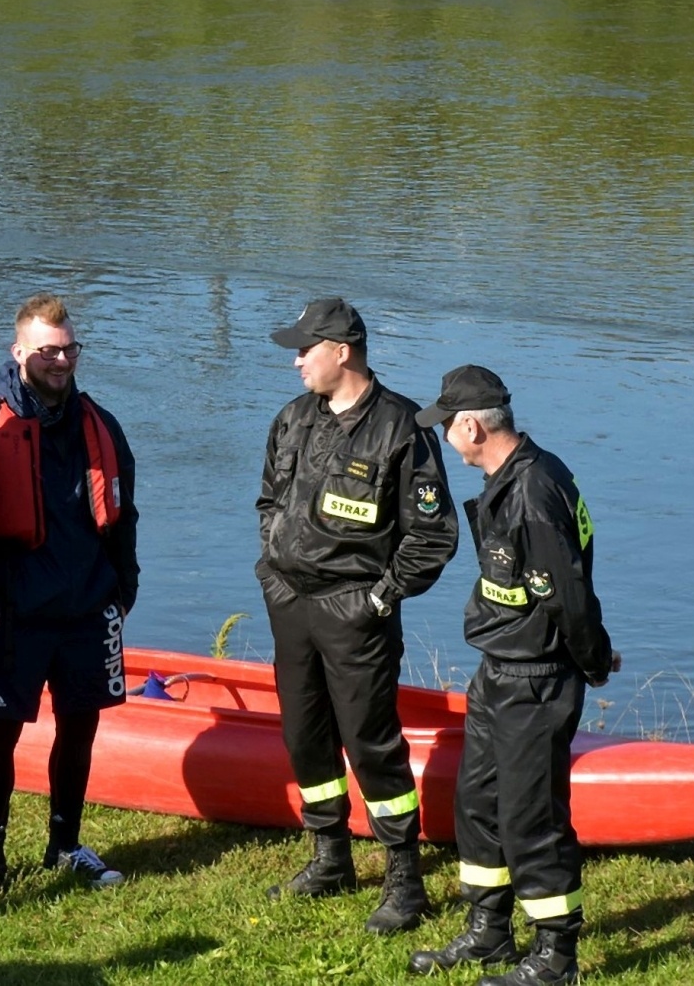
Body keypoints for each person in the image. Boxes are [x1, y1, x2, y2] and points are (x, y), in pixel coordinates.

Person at [407, 365, 620, 986]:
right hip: (497, 670)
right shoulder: (511, 478)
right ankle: (488, 932)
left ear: (471, 425)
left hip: (536, 678)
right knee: (477, 802)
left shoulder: (533, 491)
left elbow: (568, 595)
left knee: (532, 816)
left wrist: (594, 660)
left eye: (446, 424)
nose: (445, 436)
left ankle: (556, 956)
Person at [256, 297, 460, 935]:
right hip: (289, 600)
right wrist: (272, 567)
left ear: (341, 352)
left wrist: (381, 597)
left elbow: (431, 535)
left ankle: (405, 879)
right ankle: (330, 858)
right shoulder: (293, 418)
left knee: (371, 741)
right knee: (304, 733)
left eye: (304, 349)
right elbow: (268, 499)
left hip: (355, 609)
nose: (295, 361)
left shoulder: (402, 429)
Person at [0, 292, 140, 909]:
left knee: (79, 730)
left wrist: (123, 589)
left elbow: (124, 513)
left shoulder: (101, 425)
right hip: (17, 616)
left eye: (69, 350)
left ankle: (65, 844)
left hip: (87, 611)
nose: (61, 362)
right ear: (18, 353)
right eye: (48, 351)